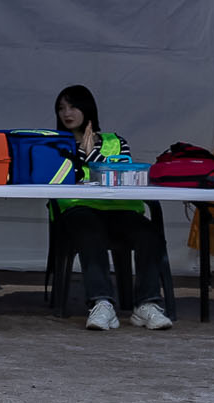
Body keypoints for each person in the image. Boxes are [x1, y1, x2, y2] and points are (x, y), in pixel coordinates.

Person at [50, 83, 174, 331]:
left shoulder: (116, 141)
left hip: (120, 209)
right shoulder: (53, 144)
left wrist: (90, 152)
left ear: (87, 109)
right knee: (89, 232)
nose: (67, 113)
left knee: (149, 234)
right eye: (62, 108)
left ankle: (146, 305)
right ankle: (101, 303)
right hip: (78, 210)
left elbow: (118, 172)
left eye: (73, 106)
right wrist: (82, 152)